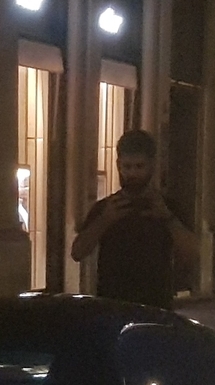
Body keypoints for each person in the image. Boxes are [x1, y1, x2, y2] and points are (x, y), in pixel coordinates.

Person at [72, 129, 198, 307]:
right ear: (118, 166)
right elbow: (77, 252)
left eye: (139, 167)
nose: (132, 174)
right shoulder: (106, 208)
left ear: (152, 166)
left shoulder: (167, 207)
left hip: (155, 306)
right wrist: (105, 220)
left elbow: (192, 254)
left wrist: (167, 219)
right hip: (113, 305)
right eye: (127, 167)